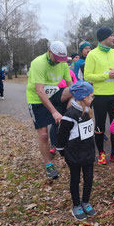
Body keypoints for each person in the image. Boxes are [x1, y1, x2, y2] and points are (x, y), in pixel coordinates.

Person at [26, 41, 73, 179]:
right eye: (57, 59)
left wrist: (71, 104)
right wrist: (54, 111)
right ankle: (48, 164)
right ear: (50, 52)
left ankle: (68, 150)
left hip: (54, 94)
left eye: (62, 60)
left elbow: (71, 86)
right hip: (37, 99)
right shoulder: (38, 63)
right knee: (43, 135)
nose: (59, 62)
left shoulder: (63, 63)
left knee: (75, 91)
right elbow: (40, 91)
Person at [84, 27, 114, 165]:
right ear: (104, 38)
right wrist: (106, 76)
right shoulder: (93, 54)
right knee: (100, 125)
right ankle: (101, 153)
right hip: (100, 96)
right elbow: (87, 76)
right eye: (111, 36)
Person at [56, 81, 96, 220]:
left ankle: (85, 201)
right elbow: (61, 135)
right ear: (84, 97)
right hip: (74, 154)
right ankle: (76, 205)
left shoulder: (88, 111)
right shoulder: (70, 115)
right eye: (92, 96)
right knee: (75, 179)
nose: (93, 98)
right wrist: (62, 150)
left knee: (89, 178)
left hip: (88, 153)